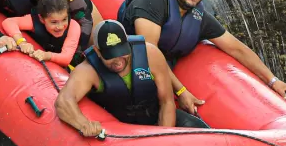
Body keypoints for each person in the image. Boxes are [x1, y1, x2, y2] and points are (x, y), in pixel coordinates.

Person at [118, 0, 286, 101]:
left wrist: (273, 81)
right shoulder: (154, 0)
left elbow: (236, 48)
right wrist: (181, 91)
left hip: (159, 79)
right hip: (127, 74)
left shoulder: (198, 17)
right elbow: (149, 52)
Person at [55, 20, 209, 137]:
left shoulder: (150, 54)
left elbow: (167, 102)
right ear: (98, 51)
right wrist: (83, 124)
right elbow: (63, 102)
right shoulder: (88, 70)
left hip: (157, 118)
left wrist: (162, 136)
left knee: (204, 132)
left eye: (122, 51)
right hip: (123, 131)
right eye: (111, 56)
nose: (118, 60)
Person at [0, 0, 82, 68]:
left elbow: (66, 58)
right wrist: (22, 42)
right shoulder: (35, 21)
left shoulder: (73, 26)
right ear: (42, 19)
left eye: (64, 19)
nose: (60, 27)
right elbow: (9, 22)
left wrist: (45, 55)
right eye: (54, 22)